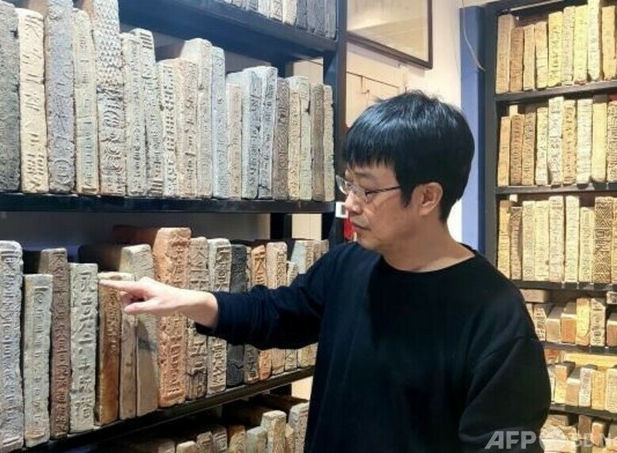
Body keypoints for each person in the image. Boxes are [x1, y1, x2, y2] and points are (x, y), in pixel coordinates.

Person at [104, 91, 551, 452]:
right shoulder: (349, 264)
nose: (350, 203)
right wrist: (186, 300)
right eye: (348, 183)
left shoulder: (495, 316)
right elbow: (279, 313)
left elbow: (507, 443)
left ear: (427, 197)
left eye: (367, 189)